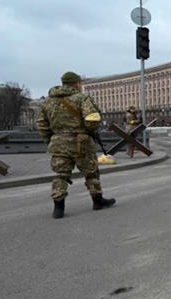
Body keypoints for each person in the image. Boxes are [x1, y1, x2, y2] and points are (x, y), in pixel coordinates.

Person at [37, 71, 116, 218]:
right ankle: (97, 201)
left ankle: (58, 208)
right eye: (80, 83)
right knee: (91, 173)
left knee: (61, 174)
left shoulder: (47, 101)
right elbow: (92, 119)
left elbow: (42, 125)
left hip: (58, 142)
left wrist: (51, 140)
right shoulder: (82, 98)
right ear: (77, 83)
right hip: (81, 142)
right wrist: (90, 132)